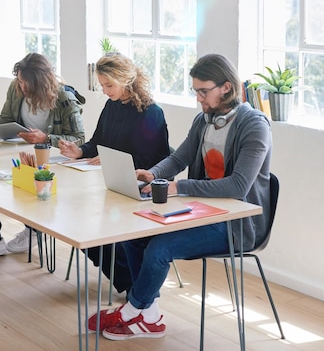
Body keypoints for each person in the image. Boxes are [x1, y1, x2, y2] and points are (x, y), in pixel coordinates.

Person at [88, 53, 272, 340]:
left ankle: (131, 310)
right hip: (199, 211)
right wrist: (152, 172)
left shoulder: (255, 125)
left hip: (236, 224)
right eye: (195, 91)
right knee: (134, 234)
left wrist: (179, 187)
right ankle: (149, 316)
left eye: (203, 91)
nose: (199, 98)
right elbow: (178, 158)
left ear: (226, 87)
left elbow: (237, 186)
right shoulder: (204, 120)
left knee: (160, 248)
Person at [59, 53, 171, 294]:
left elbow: (157, 161)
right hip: (109, 182)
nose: (105, 90)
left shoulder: (151, 113)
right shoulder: (112, 106)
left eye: (109, 85)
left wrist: (116, 160)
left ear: (126, 79)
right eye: (102, 85)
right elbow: (97, 142)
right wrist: (79, 151)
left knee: (91, 225)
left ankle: (134, 285)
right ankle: (129, 281)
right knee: (77, 224)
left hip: (139, 187)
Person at [0, 53, 85, 260]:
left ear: (41, 82)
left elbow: (79, 139)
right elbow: (6, 118)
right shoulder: (16, 88)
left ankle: (34, 228)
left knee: (24, 181)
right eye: (19, 80)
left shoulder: (64, 98)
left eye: (26, 83)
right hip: (22, 154)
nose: (22, 87)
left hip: (52, 162)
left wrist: (46, 137)